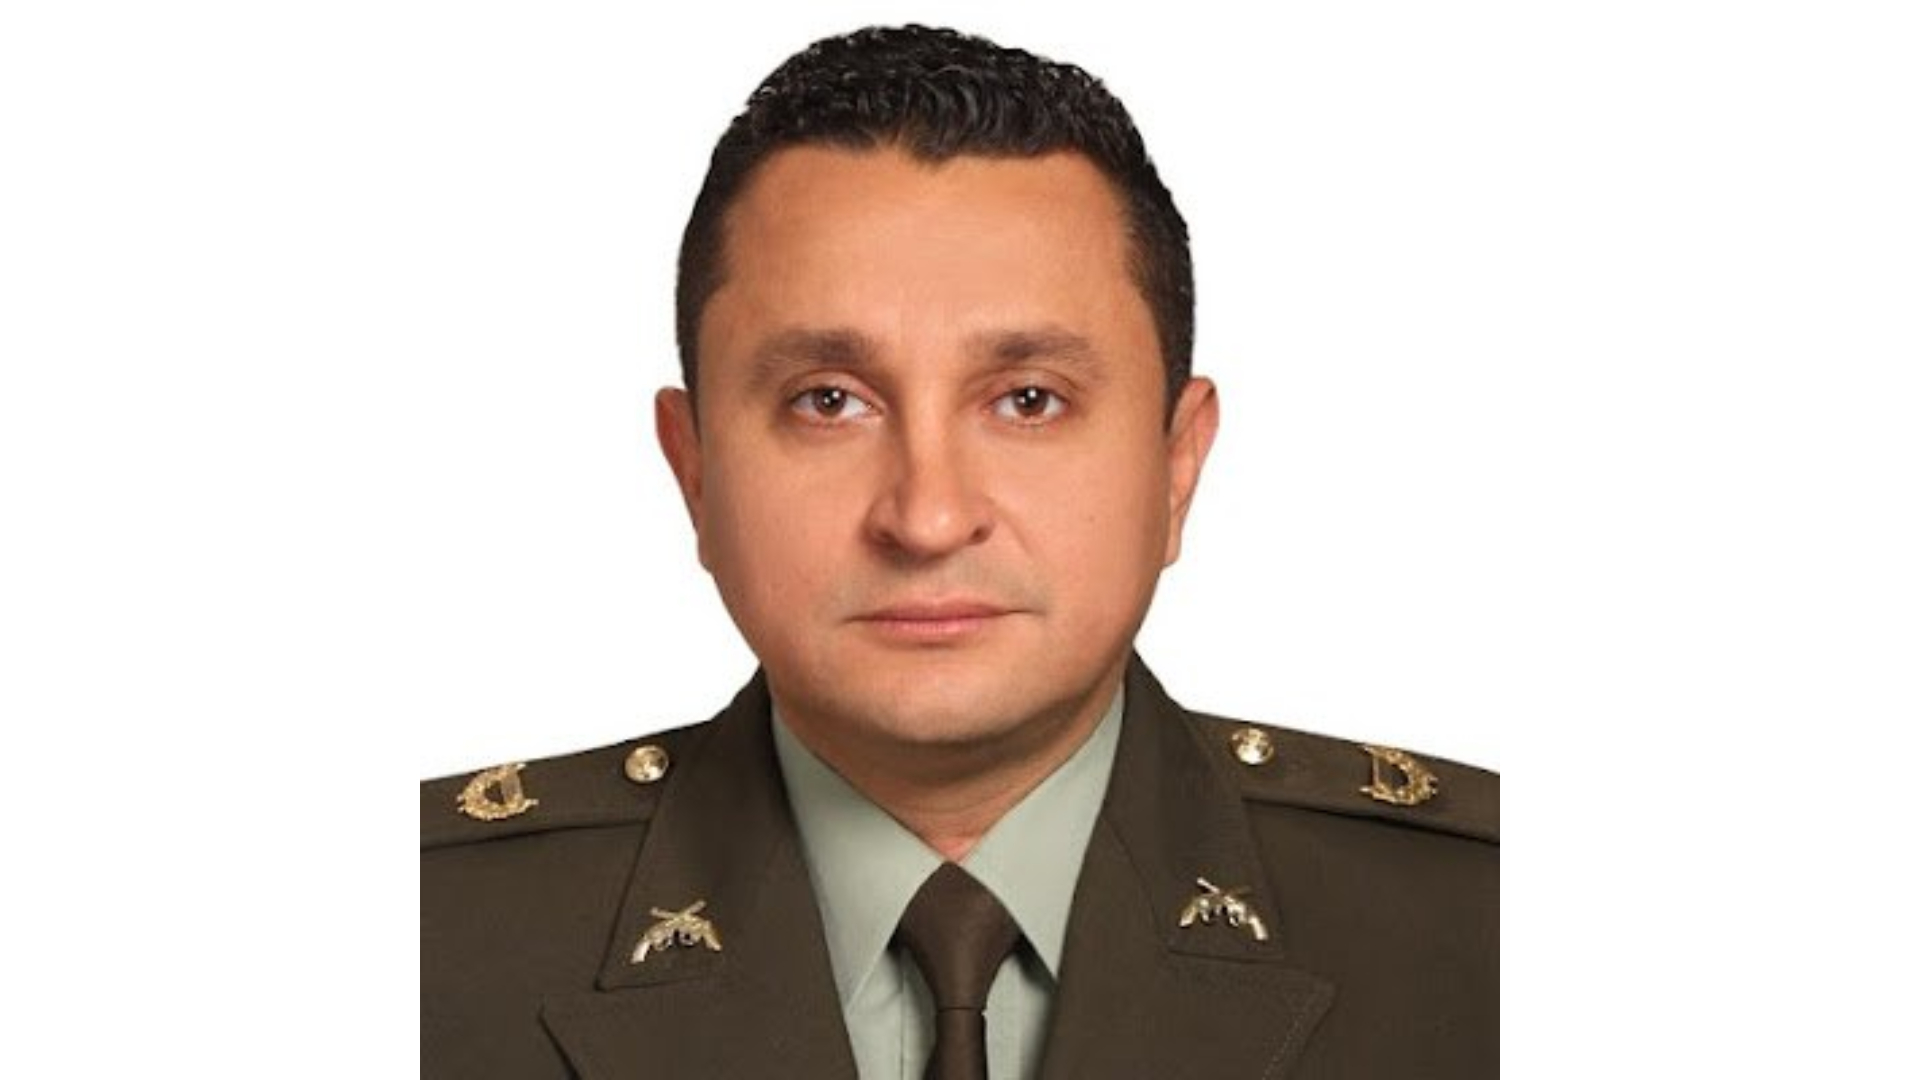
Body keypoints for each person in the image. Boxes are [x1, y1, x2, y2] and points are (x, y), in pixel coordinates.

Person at [422, 24, 1496, 1079]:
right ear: (694, 468)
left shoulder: (1491, 930)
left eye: (1028, 400)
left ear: (1177, 466)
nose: (927, 518)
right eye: (828, 401)